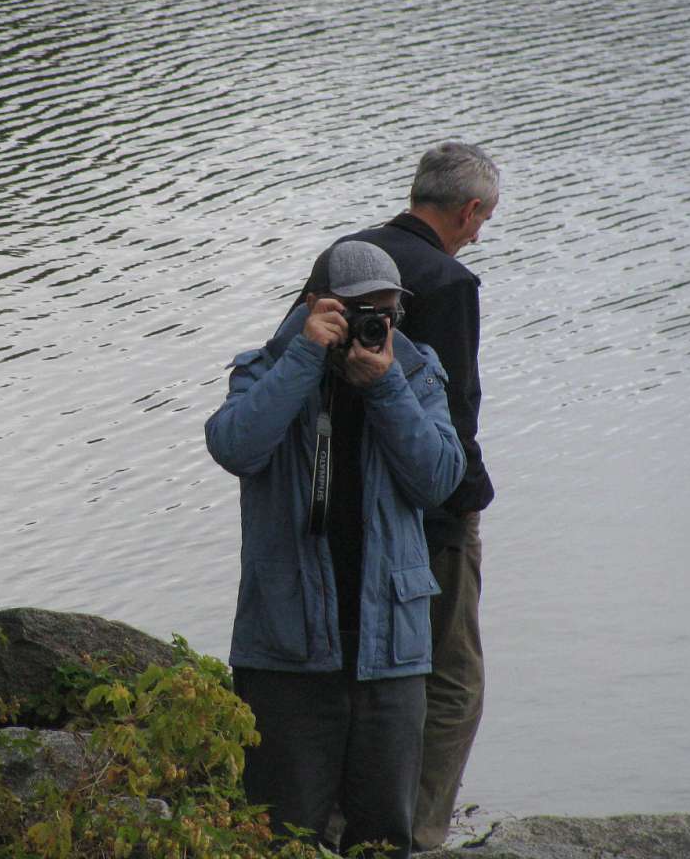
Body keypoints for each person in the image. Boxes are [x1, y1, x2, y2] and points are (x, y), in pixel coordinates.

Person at [204, 240, 466, 859]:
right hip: (288, 653)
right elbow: (236, 447)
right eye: (359, 311)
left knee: (382, 840)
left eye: (388, 311)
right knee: (279, 837)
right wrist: (304, 355)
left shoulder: (414, 370)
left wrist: (385, 388)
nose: (376, 325)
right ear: (318, 306)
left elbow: (439, 480)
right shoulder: (268, 368)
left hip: (389, 652)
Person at [310, 141, 499, 849]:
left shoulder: (347, 256)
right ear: (469, 209)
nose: (478, 236)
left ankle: (337, 820)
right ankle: (415, 832)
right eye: (481, 222)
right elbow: (457, 413)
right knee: (452, 679)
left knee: (359, 667)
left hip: (341, 496)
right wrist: (469, 500)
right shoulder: (448, 283)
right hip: (426, 507)